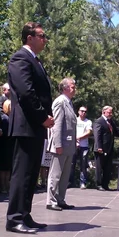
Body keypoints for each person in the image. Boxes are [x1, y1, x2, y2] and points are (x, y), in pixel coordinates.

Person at [5, 22, 54, 234]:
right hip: (27, 124)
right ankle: (14, 218)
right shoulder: (20, 58)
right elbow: (26, 92)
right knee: (22, 173)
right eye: (41, 36)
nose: (45, 40)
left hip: (35, 126)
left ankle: (24, 214)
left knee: (31, 173)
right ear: (29, 38)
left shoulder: (35, 60)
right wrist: (42, 116)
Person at [46, 78, 77, 211]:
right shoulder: (60, 102)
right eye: (72, 86)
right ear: (64, 88)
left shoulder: (69, 102)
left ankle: (60, 199)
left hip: (68, 145)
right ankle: (51, 201)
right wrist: (58, 144)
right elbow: (57, 125)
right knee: (55, 174)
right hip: (61, 144)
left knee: (64, 176)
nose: (74, 88)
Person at [93, 106, 119, 191]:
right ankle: (99, 184)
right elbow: (97, 135)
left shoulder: (111, 122)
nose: (111, 114)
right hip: (101, 149)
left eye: (111, 112)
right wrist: (99, 147)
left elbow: (118, 132)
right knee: (99, 168)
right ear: (104, 112)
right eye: (109, 112)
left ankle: (105, 184)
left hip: (109, 148)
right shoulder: (99, 122)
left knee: (107, 168)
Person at [70, 106, 92, 189]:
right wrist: (74, 140)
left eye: (85, 111)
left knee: (83, 165)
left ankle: (82, 182)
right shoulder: (74, 120)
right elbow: (71, 130)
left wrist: (78, 138)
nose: (84, 113)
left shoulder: (88, 121)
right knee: (71, 164)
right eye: (82, 111)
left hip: (84, 146)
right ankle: (70, 182)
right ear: (78, 111)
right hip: (74, 145)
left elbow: (88, 132)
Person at [0, 99, 13, 192]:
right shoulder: (4, 118)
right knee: (3, 165)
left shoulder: (11, 117)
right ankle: (2, 185)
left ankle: (7, 183)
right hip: (4, 144)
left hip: (10, 144)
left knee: (8, 166)